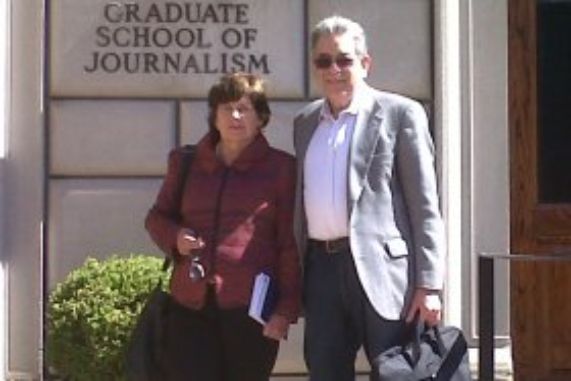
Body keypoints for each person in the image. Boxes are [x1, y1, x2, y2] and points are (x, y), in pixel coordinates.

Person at [293, 15, 446, 380]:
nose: (334, 70)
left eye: (344, 59)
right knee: (325, 370)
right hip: (322, 270)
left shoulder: (399, 113)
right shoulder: (304, 122)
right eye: (324, 61)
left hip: (385, 274)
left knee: (394, 372)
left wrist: (429, 285)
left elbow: (425, 206)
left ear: (365, 63)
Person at [145, 72, 301, 381]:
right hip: (189, 302)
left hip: (250, 308)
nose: (236, 116)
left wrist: (285, 310)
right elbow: (156, 218)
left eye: (245, 108)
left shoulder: (281, 168)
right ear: (214, 117)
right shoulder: (185, 162)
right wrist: (176, 236)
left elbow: (288, 243)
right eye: (227, 108)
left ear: (261, 118)